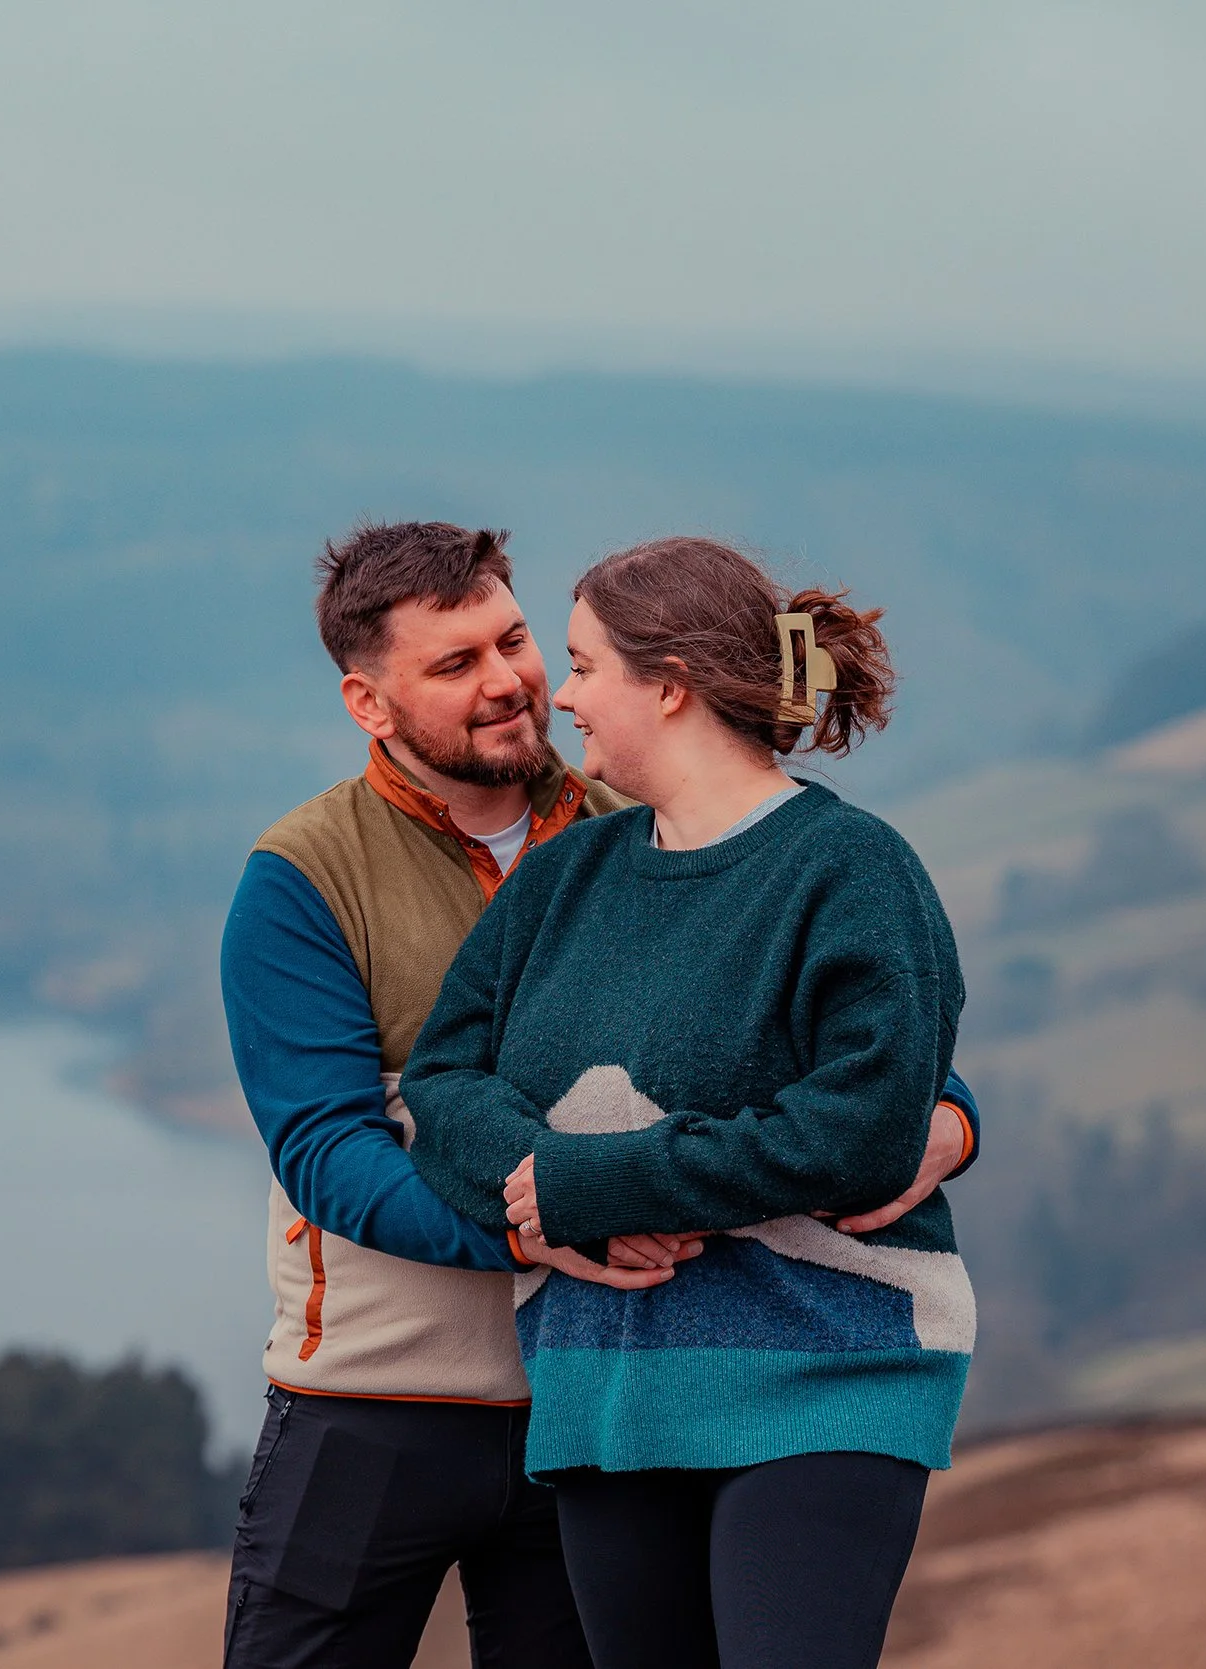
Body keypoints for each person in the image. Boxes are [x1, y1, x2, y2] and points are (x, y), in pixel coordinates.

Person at [218, 523, 981, 1668]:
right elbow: (333, 1143)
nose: (514, 684)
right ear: (369, 704)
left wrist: (951, 1117)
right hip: (387, 1396)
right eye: (454, 664)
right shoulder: (304, 877)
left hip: (597, 1385)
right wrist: (546, 1223)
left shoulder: (641, 825)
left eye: (515, 642)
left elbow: (857, 1056)